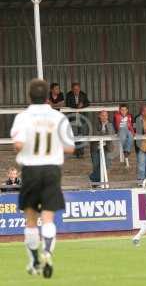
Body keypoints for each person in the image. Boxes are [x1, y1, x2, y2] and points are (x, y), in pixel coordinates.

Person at [10, 79, 75, 278]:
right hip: (51, 170)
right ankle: (47, 251)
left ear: (29, 96)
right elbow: (70, 148)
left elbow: (18, 145)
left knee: (30, 220)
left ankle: (34, 261)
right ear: (48, 96)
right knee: (48, 218)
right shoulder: (58, 117)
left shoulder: (23, 117)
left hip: (30, 170)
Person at [65, 82, 90, 158]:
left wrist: (82, 105)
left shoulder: (83, 94)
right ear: (72, 89)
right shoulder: (68, 95)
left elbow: (88, 103)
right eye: (75, 89)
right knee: (74, 134)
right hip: (72, 117)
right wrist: (77, 106)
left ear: (79, 89)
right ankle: (76, 151)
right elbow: (68, 104)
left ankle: (81, 152)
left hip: (81, 117)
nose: (76, 91)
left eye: (78, 89)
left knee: (81, 134)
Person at [89, 111, 115, 185]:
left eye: (106, 115)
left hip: (106, 148)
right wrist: (104, 134)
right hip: (95, 148)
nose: (104, 117)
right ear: (99, 116)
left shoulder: (110, 124)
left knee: (106, 165)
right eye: (102, 115)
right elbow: (94, 134)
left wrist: (106, 128)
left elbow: (111, 134)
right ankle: (96, 183)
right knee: (96, 165)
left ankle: (92, 178)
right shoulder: (94, 124)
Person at [113, 104, 134, 168]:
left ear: (127, 110)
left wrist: (133, 131)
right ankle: (125, 150)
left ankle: (127, 151)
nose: (123, 111)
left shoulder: (129, 116)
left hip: (128, 130)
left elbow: (131, 125)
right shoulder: (116, 116)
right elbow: (114, 125)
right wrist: (115, 132)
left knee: (131, 137)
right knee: (124, 135)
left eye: (125, 110)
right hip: (120, 130)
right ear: (119, 110)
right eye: (122, 110)